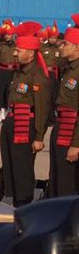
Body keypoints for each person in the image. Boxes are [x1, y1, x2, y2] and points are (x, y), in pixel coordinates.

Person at [0, 22, 51, 207]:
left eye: (18, 50)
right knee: (10, 163)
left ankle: (24, 203)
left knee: (23, 167)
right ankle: (15, 198)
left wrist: (39, 137)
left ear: (30, 52)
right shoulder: (19, 72)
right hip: (12, 122)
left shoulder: (37, 76)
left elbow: (42, 109)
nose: (14, 53)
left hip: (25, 126)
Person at [46, 17, 79, 197]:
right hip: (61, 124)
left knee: (67, 180)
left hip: (72, 131)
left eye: (65, 44)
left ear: (77, 47)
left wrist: (76, 144)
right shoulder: (69, 67)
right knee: (57, 174)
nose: (61, 47)